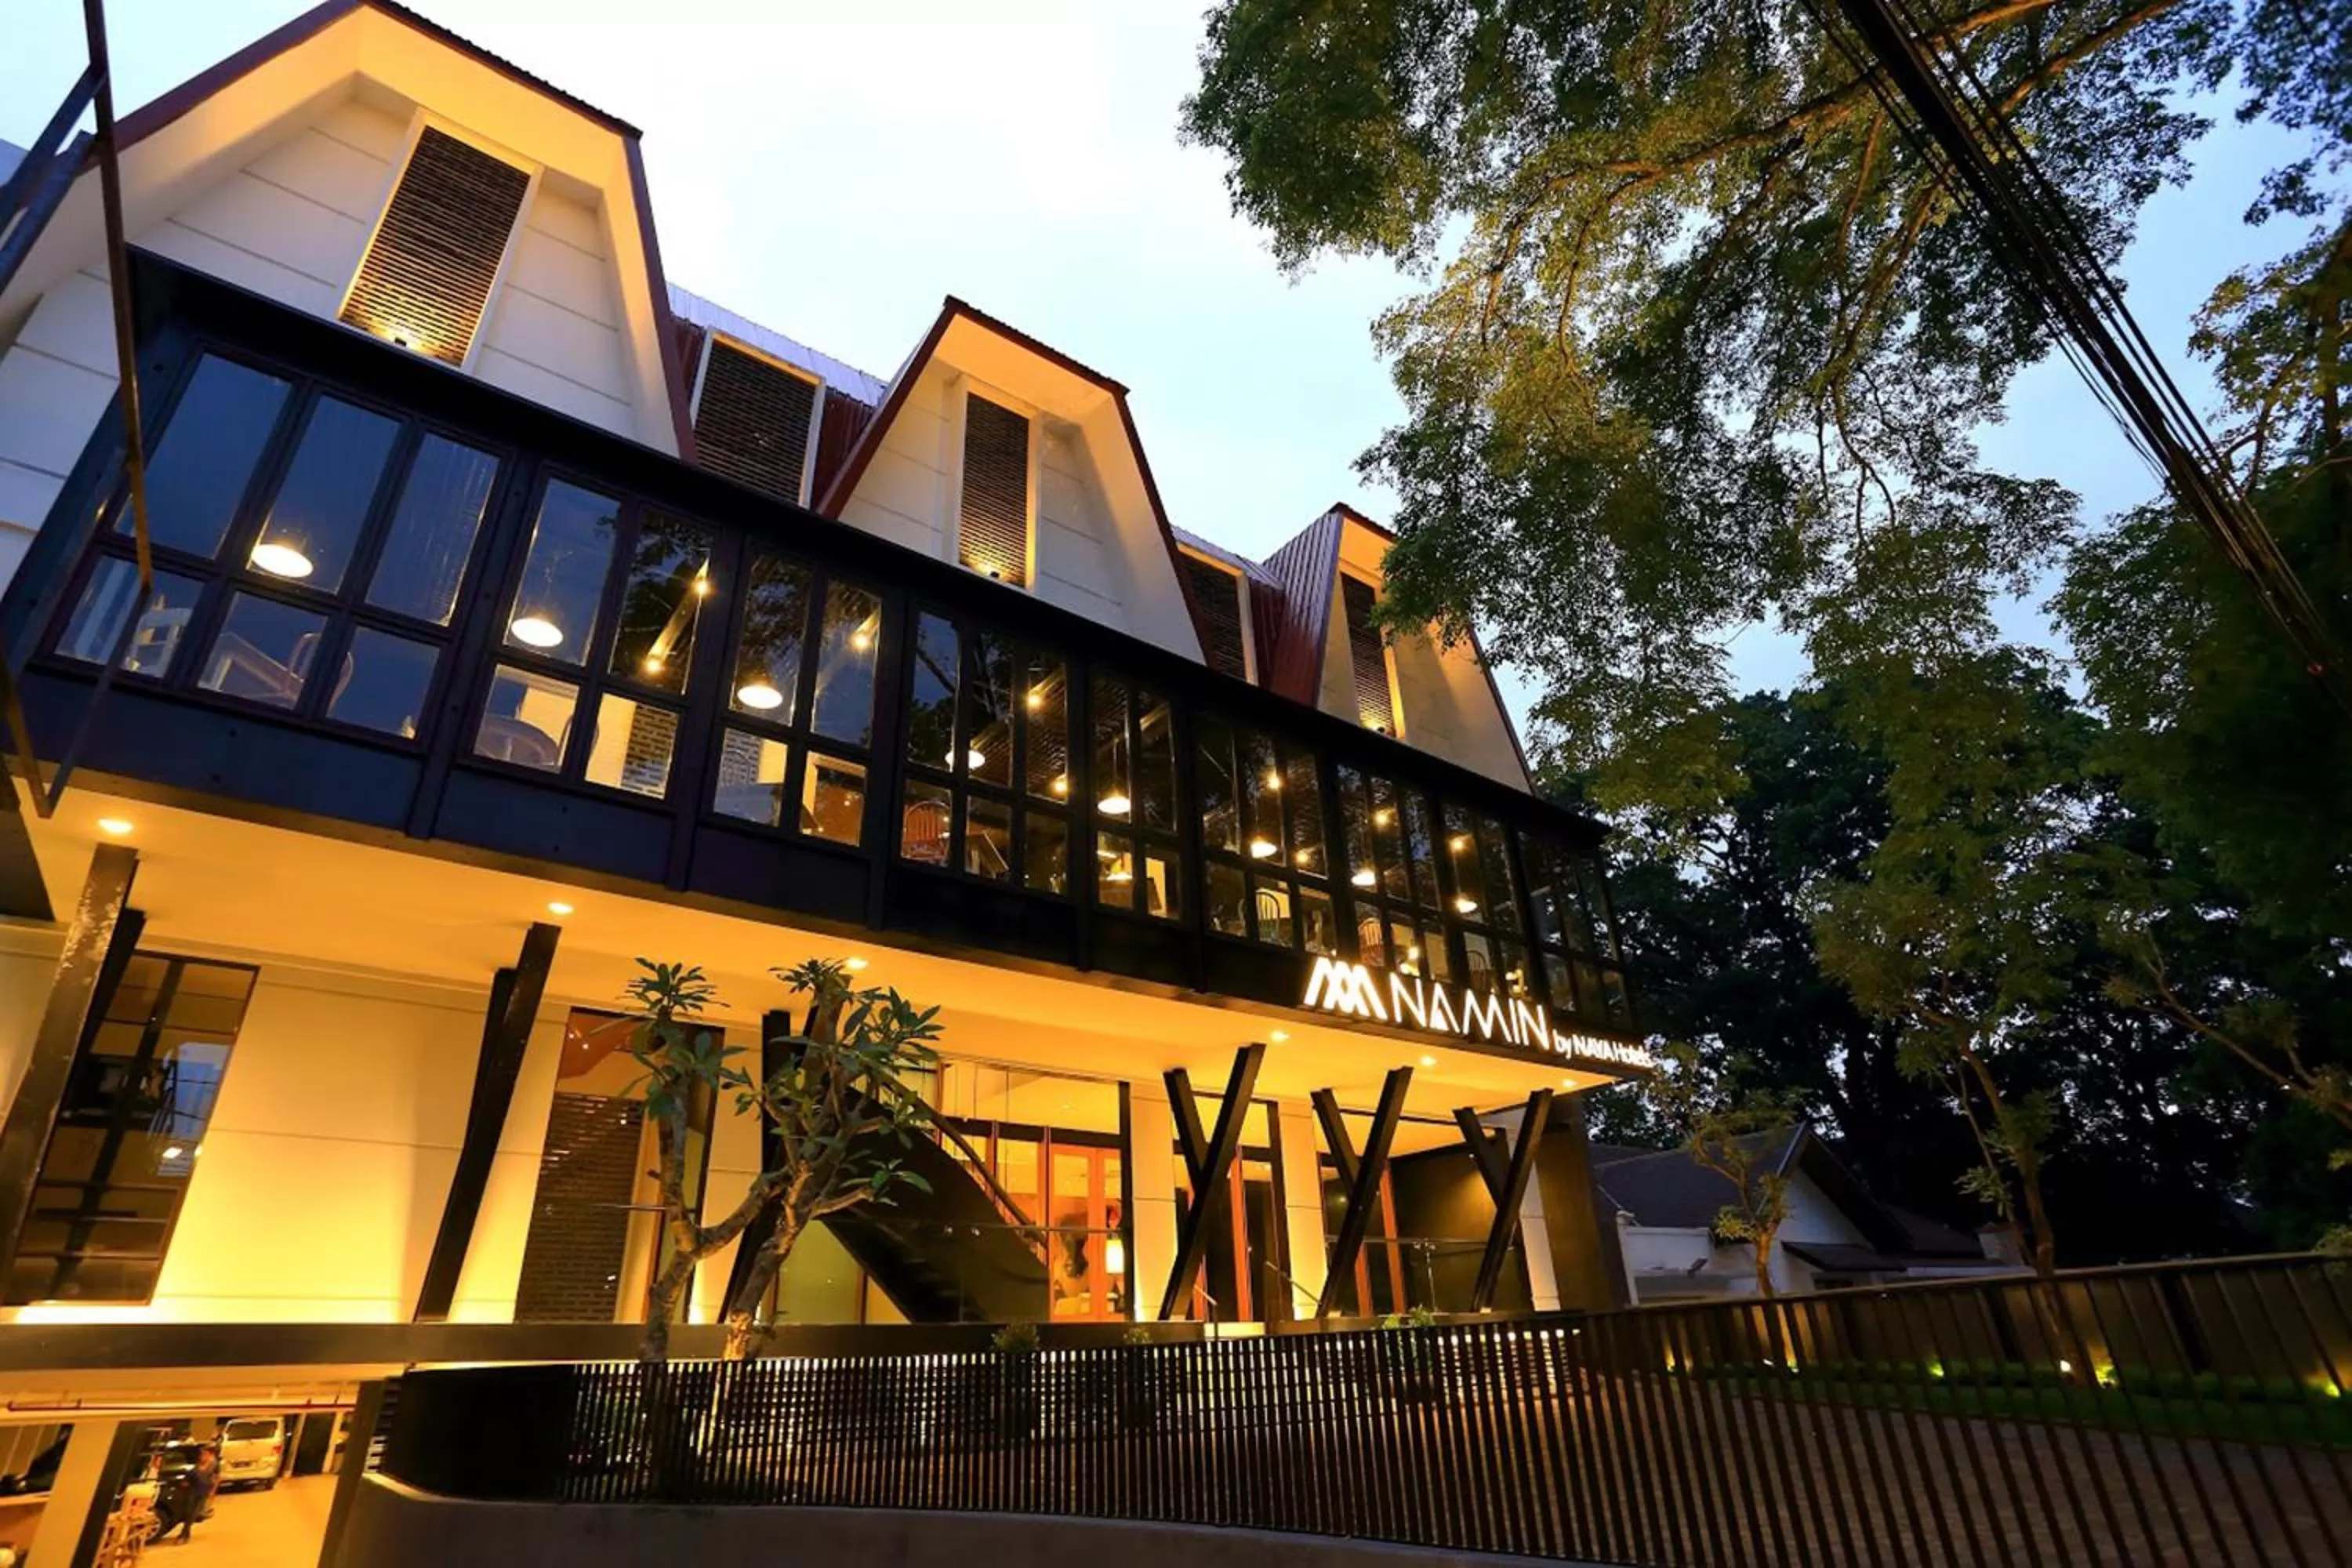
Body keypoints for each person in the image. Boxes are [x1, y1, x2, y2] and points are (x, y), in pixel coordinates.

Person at [169, 1446, 216, 1544]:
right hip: (192, 1494)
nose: (203, 1457)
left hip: (202, 1495)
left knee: (193, 1515)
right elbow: (185, 1482)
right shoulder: (194, 1470)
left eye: (205, 1455)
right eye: (202, 1455)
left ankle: (184, 1535)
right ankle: (185, 1535)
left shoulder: (211, 1468)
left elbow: (214, 1480)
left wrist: (212, 1491)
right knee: (189, 1514)